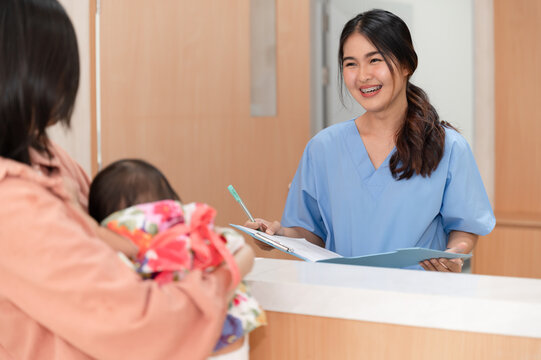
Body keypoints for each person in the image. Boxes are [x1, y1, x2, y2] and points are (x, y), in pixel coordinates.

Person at [0, 0, 254, 359]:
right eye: (60, 69)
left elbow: (112, 240)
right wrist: (231, 266)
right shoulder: (13, 205)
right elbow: (144, 324)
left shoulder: (48, 157)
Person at [246, 9, 495, 272]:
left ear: (406, 64)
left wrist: (453, 255)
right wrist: (278, 234)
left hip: (418, 299)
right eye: (350, 63)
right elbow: (310, 234)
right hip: (341, 296)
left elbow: (464, 227)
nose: (363, 75)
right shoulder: (323, 148)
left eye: (374, 60)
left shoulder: (448, 147)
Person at [88, 159, 265, 358]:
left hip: (177, 342)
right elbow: (237, 247)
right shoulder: (190, 227)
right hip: (227, 340)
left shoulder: (122, 242)